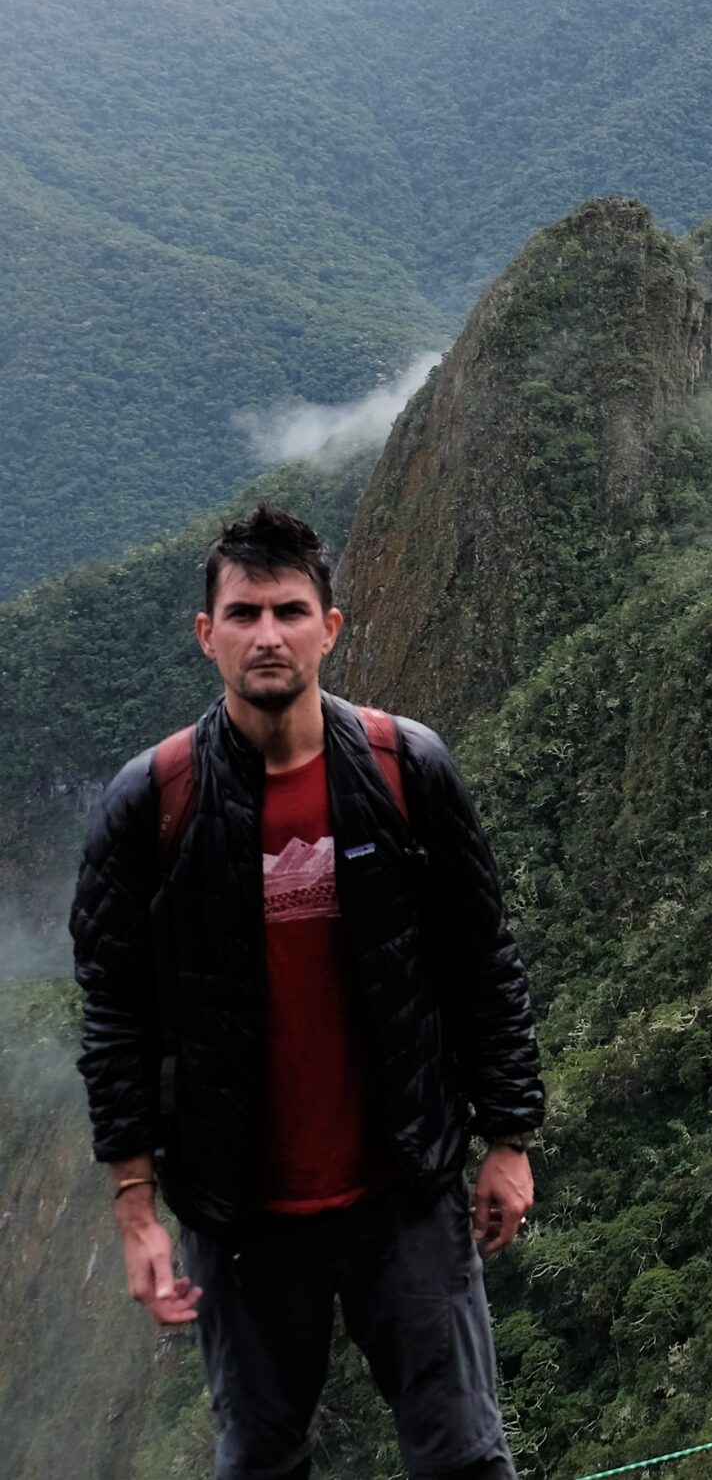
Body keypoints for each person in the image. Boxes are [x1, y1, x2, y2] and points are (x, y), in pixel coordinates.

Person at [69, 503, 544, 1480]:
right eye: (243, 612)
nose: (268, 633)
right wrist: (134, 1202)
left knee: (463, 1454)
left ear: (332, 625)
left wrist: (509, 1138)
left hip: (402, 1189)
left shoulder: (403, 766)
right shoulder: (155, 799)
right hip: (241, 1215)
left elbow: (479, 960)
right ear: (208, 634)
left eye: (290, 608)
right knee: (262, 1460)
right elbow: (113, 1011)